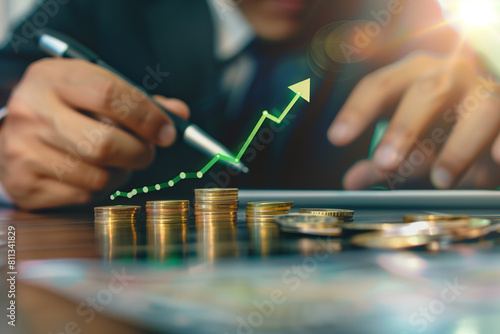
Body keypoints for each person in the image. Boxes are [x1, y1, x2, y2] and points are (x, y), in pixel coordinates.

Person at [0, 0, 499, 210]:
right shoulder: (98, 8)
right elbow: (15, 85)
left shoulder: (397, 11)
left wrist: (480, 141)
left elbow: (468, 87)